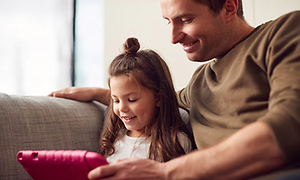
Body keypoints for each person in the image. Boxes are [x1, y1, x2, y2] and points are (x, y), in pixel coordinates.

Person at [49, 0, 300, 179]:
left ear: (229, 7)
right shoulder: (200, 81)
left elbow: (290, 124)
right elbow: (154, 99)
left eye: (186, 19)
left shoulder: (284, 32)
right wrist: (99, 94)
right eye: (168, 21)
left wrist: (165, 172)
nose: (173, 37)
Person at [96, 37, 194, 163]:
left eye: (132, 100)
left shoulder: (176, 142)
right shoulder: (113, 140)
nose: (121, 108)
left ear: (158, 98)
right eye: (116, 100)